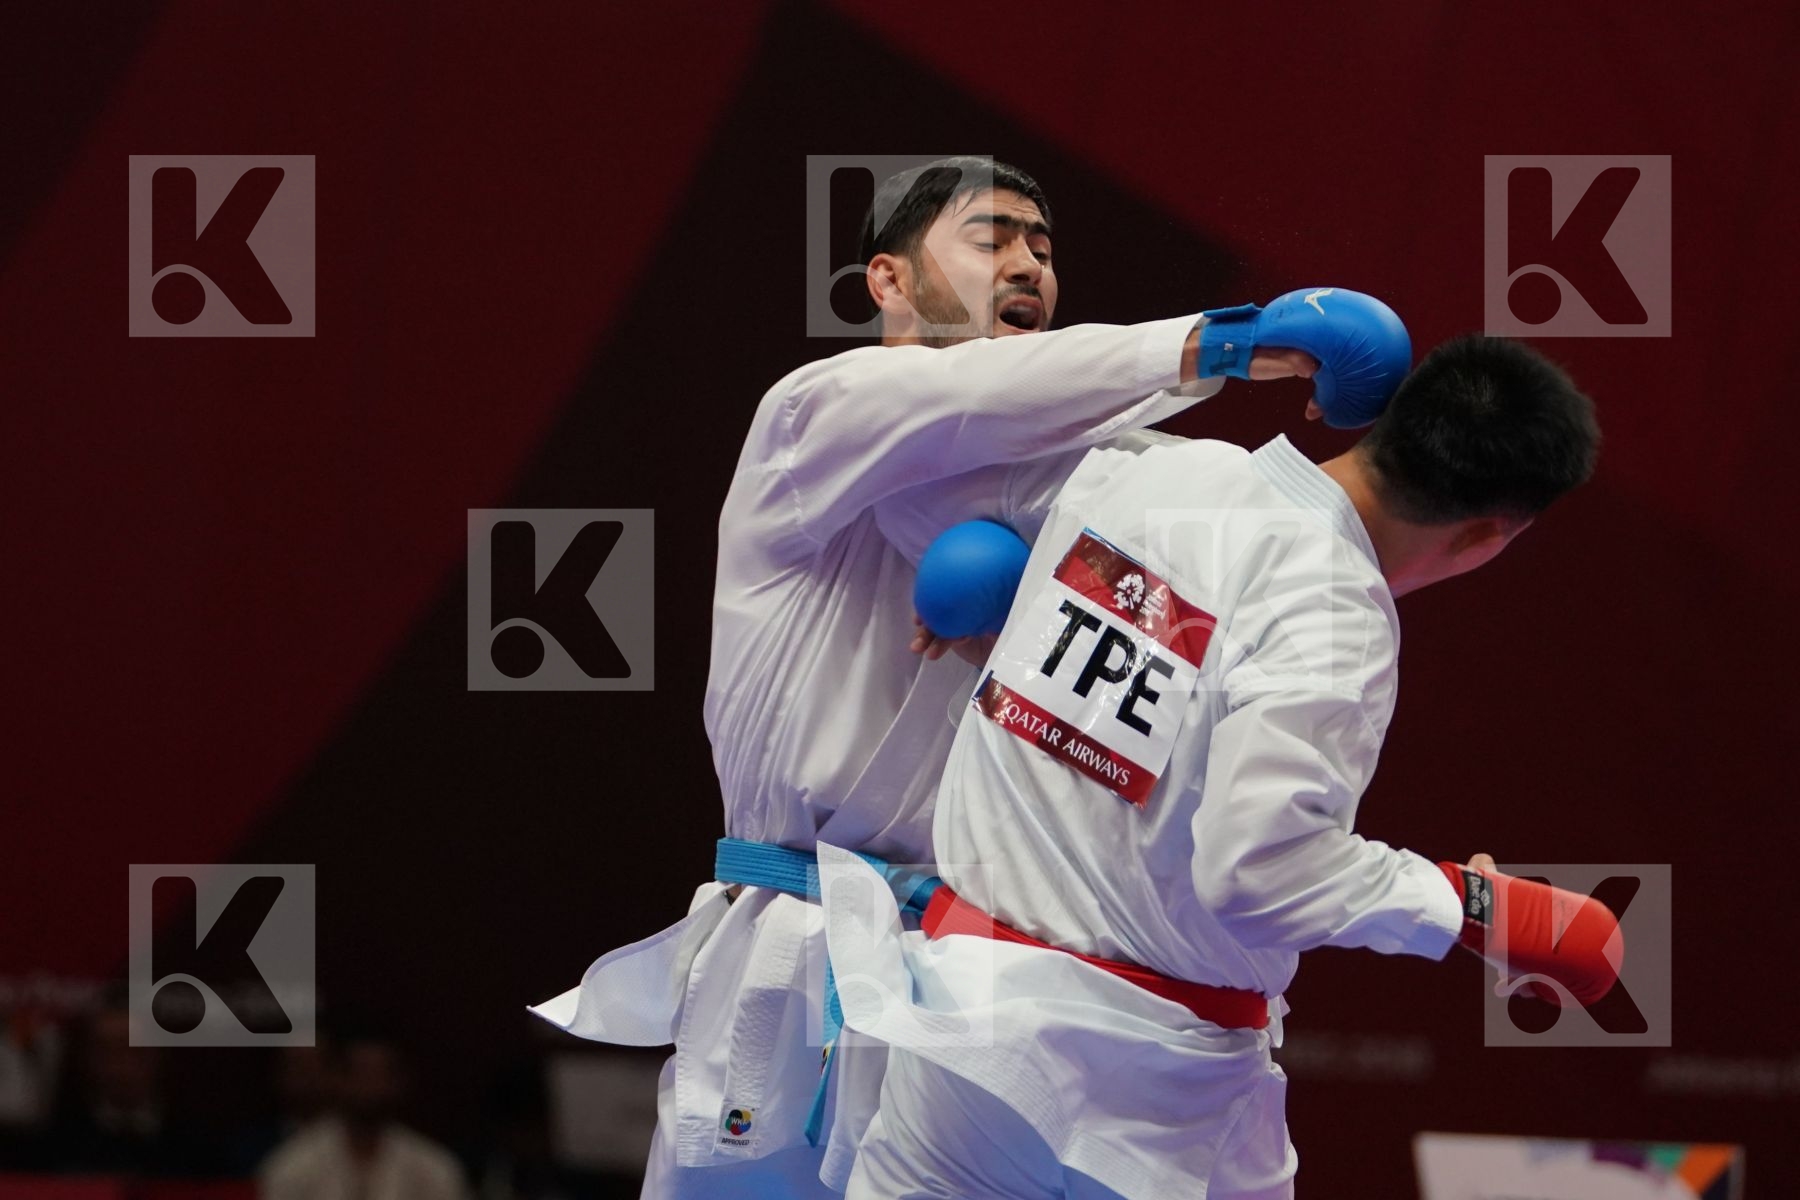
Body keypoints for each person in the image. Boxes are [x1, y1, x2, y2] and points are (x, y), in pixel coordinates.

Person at [530, 155, 1385, 1197]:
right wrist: (1223, 340)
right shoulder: (816, 412)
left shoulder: (1081, 477)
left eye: (1043, 248)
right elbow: (974, 394)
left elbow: (1201, 530)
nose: (1028, 265)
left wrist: (1387, 501)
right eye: (992, 239)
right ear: (887, 279)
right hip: (793, 955)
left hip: (981, 967)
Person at [823, 334, 1607, 1200]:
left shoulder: (1140, 472)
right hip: (1145, 1092)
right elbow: (1257, 872)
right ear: (1488, 534)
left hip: (959, 1037)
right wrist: (1473, 908)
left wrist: (1007, 626)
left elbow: (908, 486)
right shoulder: (1336, 612)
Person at [260, 1024, 469, 1200]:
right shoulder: (291, 1167)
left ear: (399, 1082)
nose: (371, 1087)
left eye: (381, 1074)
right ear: (336, 1077)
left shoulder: (434, 1169)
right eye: (360, 1072)